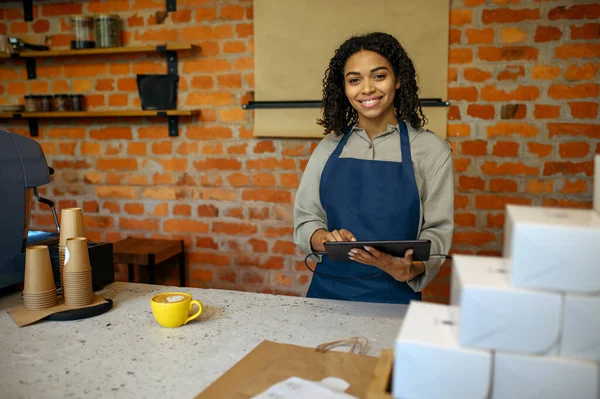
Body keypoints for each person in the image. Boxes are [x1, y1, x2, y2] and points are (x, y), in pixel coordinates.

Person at [293, 32, 454, 304]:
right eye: (354, 80)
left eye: (379, 76)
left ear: (398, 79)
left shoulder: (431, 150)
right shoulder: (328, 148)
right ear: (344, 89)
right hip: (326, 296)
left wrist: (411, 269)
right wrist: (324, 238)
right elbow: (306, 219)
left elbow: (437, 232)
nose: (366, 89)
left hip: (395, 296)